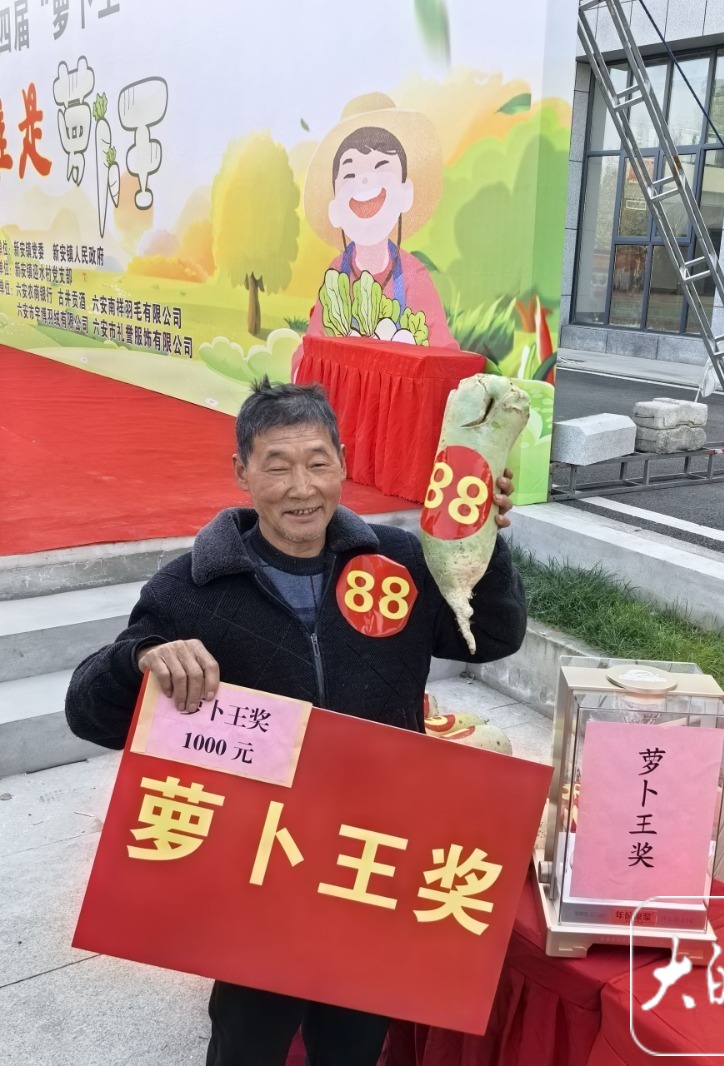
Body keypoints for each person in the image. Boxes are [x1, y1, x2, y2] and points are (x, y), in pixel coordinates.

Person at [65, 378, 527, 1066]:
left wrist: (481, 545)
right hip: (261, 869)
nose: (301, 488)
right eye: (277, 465)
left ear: (343, 463)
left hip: (370, 861)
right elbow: (89, 714)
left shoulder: (398, 562)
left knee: (354, 1040)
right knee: (247, 1039)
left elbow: (490, 637)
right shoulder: (192, 589)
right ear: (242, 472)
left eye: (317, 462)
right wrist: (140, 659)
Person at [303, 93, 457, 349]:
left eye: (381, 166)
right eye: (350, 173)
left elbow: (443, 351)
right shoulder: (336, 274)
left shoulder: (414, 277)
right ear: (335, 210)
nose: (365, 180)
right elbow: (312, 345)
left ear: (406, 194)